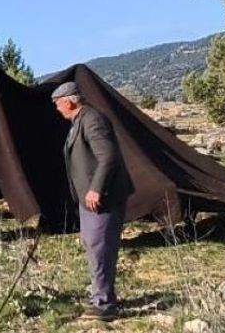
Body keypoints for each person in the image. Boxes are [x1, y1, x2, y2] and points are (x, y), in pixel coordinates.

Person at [52, 82, 133, 321]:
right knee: (94, 246)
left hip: (102, 199)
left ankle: (105, 306)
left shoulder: (92, 120)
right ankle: (102, 296)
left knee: (100, 248)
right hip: (89, 200)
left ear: (69, 101)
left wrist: (96, 189)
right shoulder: (80, 121)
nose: (58, 109)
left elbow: (108, 156)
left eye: (58, 104)